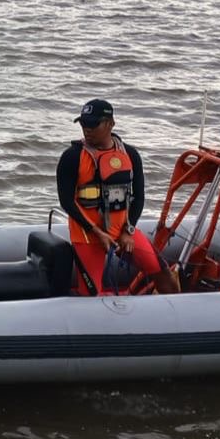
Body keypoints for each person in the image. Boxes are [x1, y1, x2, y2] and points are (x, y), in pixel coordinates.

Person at [56, 99, 179, 296]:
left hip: (122, 231)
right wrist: (97, 232)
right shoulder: (71, 157)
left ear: (110, 124)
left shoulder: (129, 154)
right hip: (88, 236)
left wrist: (128, 230)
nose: (87, 129)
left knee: (164, 275)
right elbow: (67, 202)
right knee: (91, 296)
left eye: (93, 124)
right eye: (83, 124)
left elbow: (138, 197)